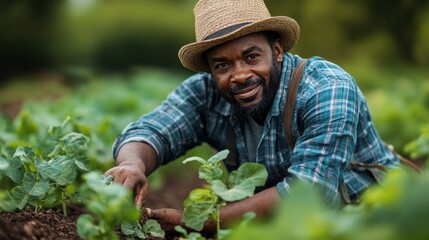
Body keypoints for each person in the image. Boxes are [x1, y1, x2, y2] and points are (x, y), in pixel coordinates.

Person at [105, 0, 399, 233]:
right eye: (222, 65)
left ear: (277, 50)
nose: (240, 75)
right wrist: (133, 164)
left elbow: (311, 192)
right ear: (211, 70)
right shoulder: (205, 93)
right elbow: (154, 129)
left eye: (251, 57)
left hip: (375, 220)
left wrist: (199, 222)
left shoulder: (326, 88)